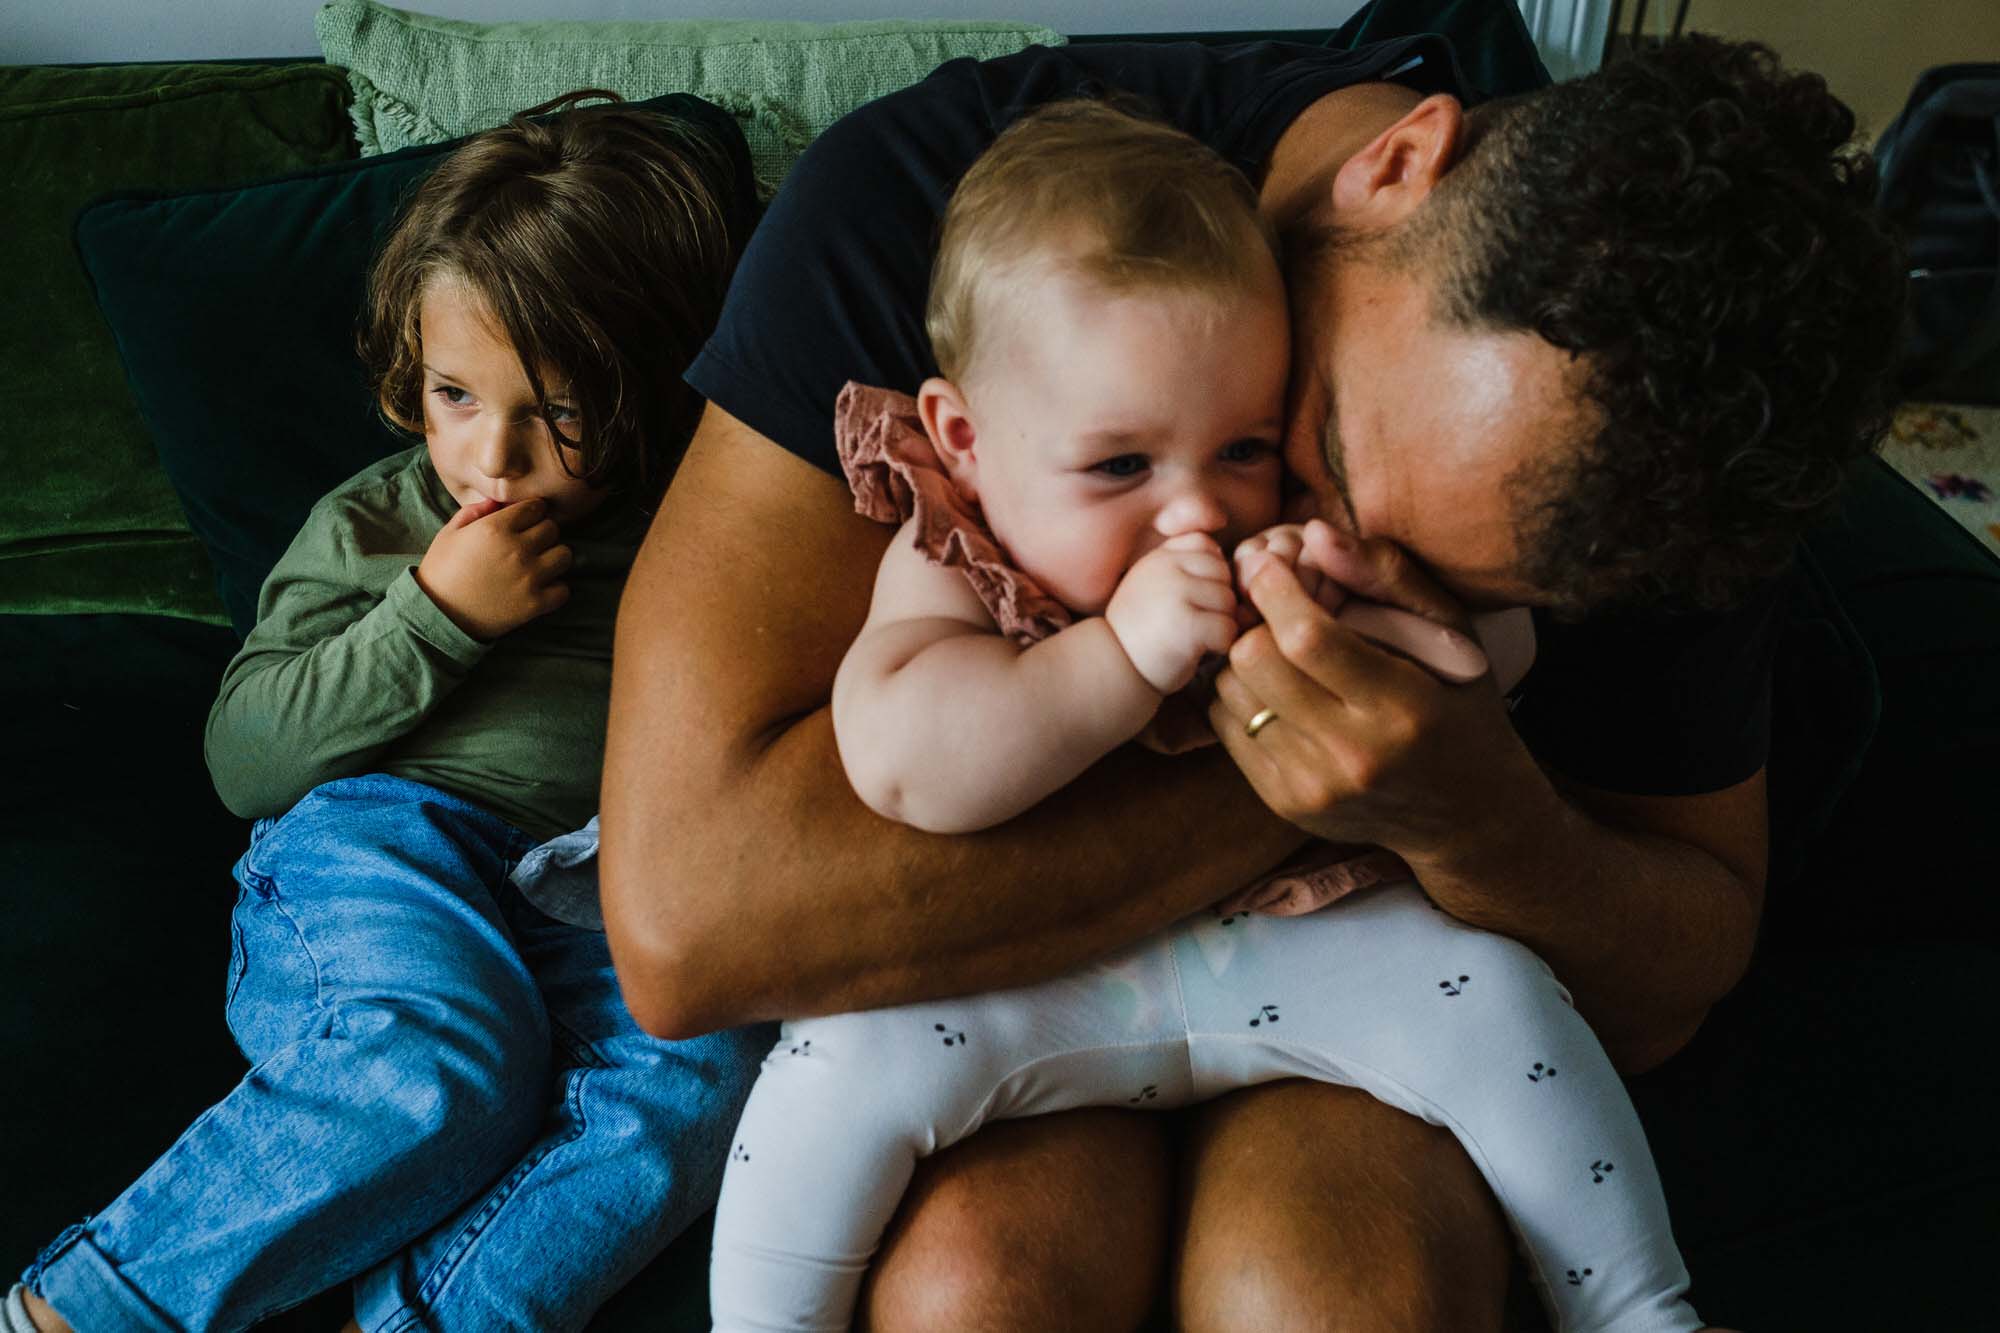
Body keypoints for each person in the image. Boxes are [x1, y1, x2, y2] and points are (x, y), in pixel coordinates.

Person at [600, 31, 1903, 1331]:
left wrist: (1477, 815)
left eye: (1452, 586)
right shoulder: (946, 208)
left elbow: (1676, 969)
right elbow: (686, 926)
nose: (1316, 555)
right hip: (1018, 1005)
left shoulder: (1684, 440)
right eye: (1322, 438)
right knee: (976, 1289)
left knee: (1338, 1299)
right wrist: (1311, 774)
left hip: (1348, 976)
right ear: (1398, 165)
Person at [10, 93, 766, 1333]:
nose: (493, 460)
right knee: (433, 1056)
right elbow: (247, 757)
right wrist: (437, 613)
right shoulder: (373, 526)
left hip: (606, 878)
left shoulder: (699, 525)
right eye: (456, 397)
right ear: (411, 369)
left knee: (699, 1076)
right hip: (383, 840)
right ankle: (80, 1308)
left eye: (559, 413)